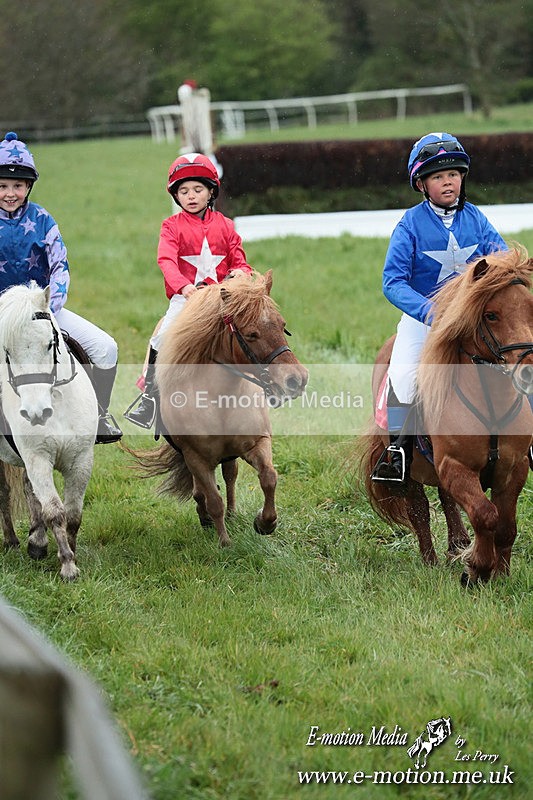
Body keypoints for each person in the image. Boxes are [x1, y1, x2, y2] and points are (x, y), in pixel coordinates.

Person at [372, 131, 509, 483]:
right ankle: (398, 453)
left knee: (522, 359)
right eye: (437, 176)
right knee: (402, 374)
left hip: (475, 316)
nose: (448, 182)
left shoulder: (476, 218)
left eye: (453, 174)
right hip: (425, 319)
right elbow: (392, 282)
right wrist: (432, 314)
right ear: (421, 184)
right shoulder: (410, 224)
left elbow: (502, 257)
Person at [0, 132, 122, 444]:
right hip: (2, 314)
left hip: (44, 310)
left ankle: (99, 414)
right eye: (2, 186)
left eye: (17, 186)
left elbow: (60, 265)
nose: (10, 193)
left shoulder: (43, 219)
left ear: (29, 186)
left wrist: (49, 308)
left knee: (106, 348)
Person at [124, 152, 252, 428]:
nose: (191, 196)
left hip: (223, 300)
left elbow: (241, 261)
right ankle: (150, 398)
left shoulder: (226, 226)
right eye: (184, 191)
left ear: (210, 192)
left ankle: (266, 386)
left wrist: (241, 272)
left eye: (197, 189)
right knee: (161, 339)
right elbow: (166, 260)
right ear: (176, 196)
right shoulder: (170, 226)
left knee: (257, 332)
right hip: (187, 299)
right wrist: (184, 287)